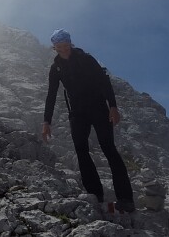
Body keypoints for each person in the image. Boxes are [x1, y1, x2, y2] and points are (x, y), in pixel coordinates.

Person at [42, 29, 135, 212]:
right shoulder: (56, 67)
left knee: (109, 149)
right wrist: (46, 121)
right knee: (81, 150)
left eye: (65, 46)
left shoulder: (86, 59)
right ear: (54, 48)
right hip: (77, 113)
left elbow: (104, 81)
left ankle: (126, 199)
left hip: (99, 109)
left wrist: (113, 106)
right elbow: (51, 94)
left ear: (70, 43)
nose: (63, 50)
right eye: (59, 47)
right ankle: (96, 195)